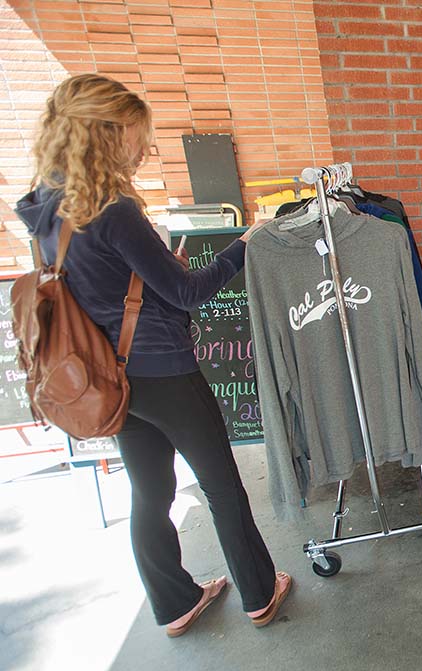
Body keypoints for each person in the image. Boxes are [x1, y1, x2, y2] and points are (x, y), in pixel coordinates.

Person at [15, 74, 292, 637]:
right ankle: (260, 594)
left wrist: (156, 268)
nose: (146, 149)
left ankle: (174, 603)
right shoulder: (113, 210)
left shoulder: (47, 206)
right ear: (106, 134)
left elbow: (104, 284)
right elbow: (188, 294)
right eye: (138, 136)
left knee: (151, 491)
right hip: (162, 368)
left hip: (110, 376)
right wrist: (246, 244)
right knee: (221, 485)